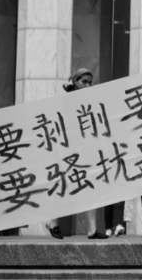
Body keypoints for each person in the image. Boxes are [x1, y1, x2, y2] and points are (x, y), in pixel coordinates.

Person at [47, 69, 115, 240]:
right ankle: (52, 221)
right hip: (70, 151)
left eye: (90, 82)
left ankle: (92, 229)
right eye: (84, 81)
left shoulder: (88, 100)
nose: (88, 85)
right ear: (75, 82)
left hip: (87, 149)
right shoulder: (67, 99)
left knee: (91, 187)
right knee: (67, 185)